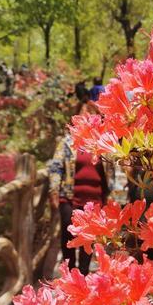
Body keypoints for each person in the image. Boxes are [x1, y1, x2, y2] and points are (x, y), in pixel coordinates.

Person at [48, 90, 111, 275]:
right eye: (82, 114)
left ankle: (82, 275)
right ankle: (69, 273)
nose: (86, 117)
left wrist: (109, 195)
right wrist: (53, 191)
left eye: (90, 114)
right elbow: (56, 167)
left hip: (95, 201)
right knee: (68, 235)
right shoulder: (67, 142)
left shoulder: (102, 143)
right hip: (70, 198)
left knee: (89, 239)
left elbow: (110, 170)